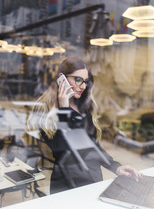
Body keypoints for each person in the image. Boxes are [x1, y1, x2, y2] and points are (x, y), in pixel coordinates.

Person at [28, 56, 142, 194]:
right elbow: (63, 150)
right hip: (66, 187)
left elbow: (91, 146)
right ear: (61, 78)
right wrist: (64, 110)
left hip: (92, 182)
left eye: (85, 81)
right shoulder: (46, 111)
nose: (82, 86)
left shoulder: (82, 106)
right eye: (78, 80)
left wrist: (115, 167)